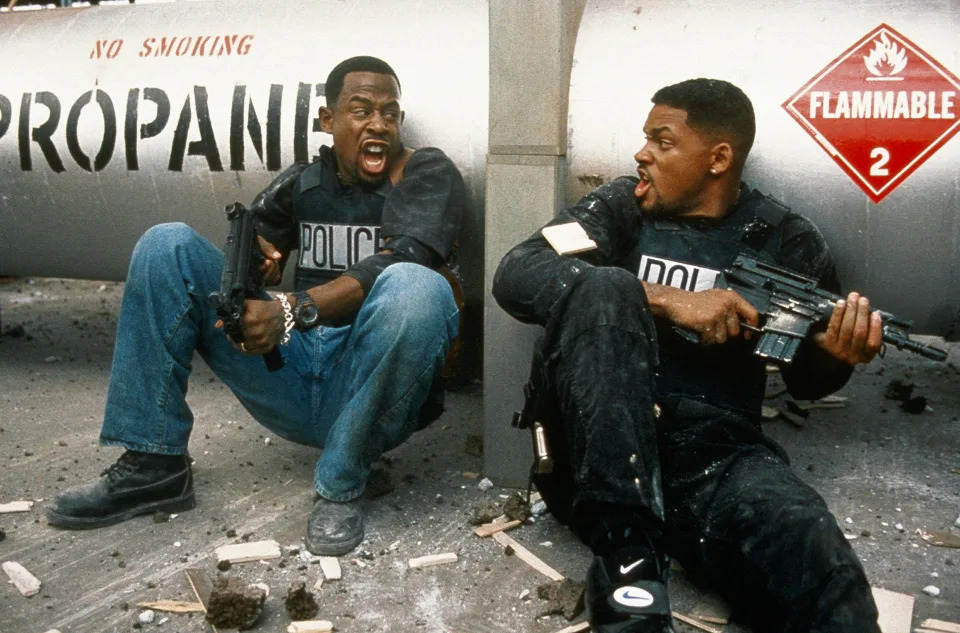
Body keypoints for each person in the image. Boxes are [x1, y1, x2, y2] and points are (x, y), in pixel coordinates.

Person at [493, 78, 883, 633]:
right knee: (605, 287)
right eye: (645, 139)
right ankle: (628, 558)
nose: (641, 153)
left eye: (662, 141)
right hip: (598, 453)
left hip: (714, 456)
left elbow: (807, 383)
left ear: (718, 158)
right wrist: (671, 300)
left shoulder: (785, 240)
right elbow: (519, 271)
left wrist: (837, 353)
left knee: (816, 558)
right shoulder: (619, 208)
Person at [46, 56, 465, 557]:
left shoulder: (425, 172)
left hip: (367, 385)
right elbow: (253, 244)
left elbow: (407, 256)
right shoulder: (304, 182)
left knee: (419, 286)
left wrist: (291, 310)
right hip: (288, 371)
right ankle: (154, 465)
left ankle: (343, 481)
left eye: (390, 113)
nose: (379, 124)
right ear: (328, 121)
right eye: (361, 111)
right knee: (167, 245)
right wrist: (253, 267)